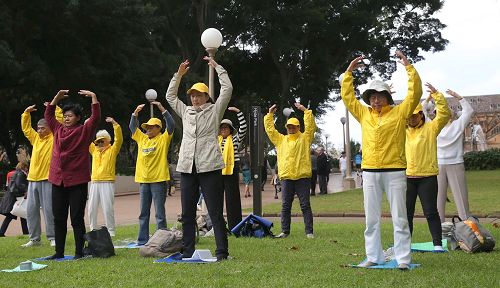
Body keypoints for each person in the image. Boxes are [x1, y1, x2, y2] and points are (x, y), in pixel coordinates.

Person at [341, 51, 422, 270]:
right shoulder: (364, 113)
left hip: (395, 171)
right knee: (371, 220)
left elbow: (415, 94)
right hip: (369, 172)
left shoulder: (399, 112)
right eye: (372, 96)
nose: (376, 100)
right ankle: (374, 256)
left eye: (380, 96)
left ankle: (403, 259)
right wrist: (348, 73)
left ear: (387, 96)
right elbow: (348, 97)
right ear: (368, 99)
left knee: (400, 218)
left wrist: (409, 68)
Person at [166, 57, 232, 261]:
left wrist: (218, 68)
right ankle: (188, 251)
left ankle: (222, 252)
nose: (194, 99)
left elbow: (227, 89)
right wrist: (178, 75)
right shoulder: (185, 111)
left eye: (199, 95)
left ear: (206, 96)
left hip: (209, 166)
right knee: (187, 213)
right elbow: (170, 96)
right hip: (187, 167)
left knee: (214, 211)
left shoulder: (215, 111)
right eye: (192, 95)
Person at [44, 89, 100, 259]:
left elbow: (95, 118)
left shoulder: (84, 131)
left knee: (76, 219)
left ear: (77, 118)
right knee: (58, 218)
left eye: (70, 115)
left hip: (77, 182)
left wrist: (93, 98)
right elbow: (49, 117)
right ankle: (58, 252)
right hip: (58, 181)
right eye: (65, 115)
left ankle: (78, 252)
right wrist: (56, 98)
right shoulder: (58, 130)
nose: (66, 118)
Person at [405, 83, 450, 252]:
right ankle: (406, 244)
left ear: (421, 114)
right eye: (409, 116)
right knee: (406, 214)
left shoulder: (431, 128)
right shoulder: (403, 131)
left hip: (428, 177)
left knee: (431, 212)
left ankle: (437, 243)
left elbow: (444, 114)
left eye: (414, 116)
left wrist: (437, 95)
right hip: (408, 177)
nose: (411, 119)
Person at [264, 103, 316, 239]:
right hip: (287, 178)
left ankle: (309, 232)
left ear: (298, 127)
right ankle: (285, 231)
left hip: (302, 177)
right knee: (285, 206)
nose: (291, 129)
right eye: (289, 127)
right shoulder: (281, 140)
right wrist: (269, 115)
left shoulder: (305, 138)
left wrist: (306, 112)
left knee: (305, 205)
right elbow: (270, 131)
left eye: (293, 126)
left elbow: (310, 127)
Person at [129, 101, 174, 245]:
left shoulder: (163, 138)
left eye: (150, 127)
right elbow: (132, 127)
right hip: (144, 180)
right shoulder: (142, 138)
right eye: (146, 127)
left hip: (158, 180)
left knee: (159, 214)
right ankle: (142, 240)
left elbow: (171, 125)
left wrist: (162, 109)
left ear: (158, 128)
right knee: (143, 213)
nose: (147, 129)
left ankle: (161, 240)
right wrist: (135, 114)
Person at [427, 89, 474, 223]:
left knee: (452, 200)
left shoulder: (436, 126)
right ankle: (442, 232)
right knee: (441, 201)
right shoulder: (434, 126)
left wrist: (428, 98)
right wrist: (458, 97)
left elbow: (423, 111)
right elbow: (469, 110)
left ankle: (467, 231)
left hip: (451, 164)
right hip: (444, 165)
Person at [20, 104, 59, 247]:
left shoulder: (54, 138)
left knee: (49, 210)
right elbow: (26, 129)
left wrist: (55, 108)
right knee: (31, 211)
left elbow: (59, 123)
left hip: (47, 179)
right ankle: (34, 239)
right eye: (39, 128)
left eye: (43, 128)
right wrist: (26, 113)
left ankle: (53, 237)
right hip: (33, 179)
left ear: (49, 128)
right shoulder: (36, 138)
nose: (40, 130)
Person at [88, 117, 123, 237]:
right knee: (91, 207)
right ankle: (92, 228)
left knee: (108, 208)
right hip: (94, 182)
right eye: (98, 141)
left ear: (108, 141)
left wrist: (115, 124)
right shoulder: (94, 150)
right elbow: (86, 138)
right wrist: (88, 123)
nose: (100, 143)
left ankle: (111, 230)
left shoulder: (112, 150)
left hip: (107, 182)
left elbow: (119, 139)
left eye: (102, 141)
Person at [219, 107, 247, 230]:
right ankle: (218, 226)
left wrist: (238, 112)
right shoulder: (216, 141)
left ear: (230, 130)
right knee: (216, 199)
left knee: (232, 199)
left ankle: (235, 226)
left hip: (231, 170)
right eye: (222, 128)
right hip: (218, 171)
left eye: (226, 128)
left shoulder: (235, 139)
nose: (224, 129)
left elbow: (243, 128)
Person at [0, 161, 29, 236]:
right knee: (17, 215)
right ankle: (25, 233)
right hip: (15, 198)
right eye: (26, 167)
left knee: (15, 216)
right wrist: (25, 191)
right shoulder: (20, 174)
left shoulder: (16, 173)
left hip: (12, 198)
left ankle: (25, 233)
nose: (27, 168)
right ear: (24, 167)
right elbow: (20, 185)